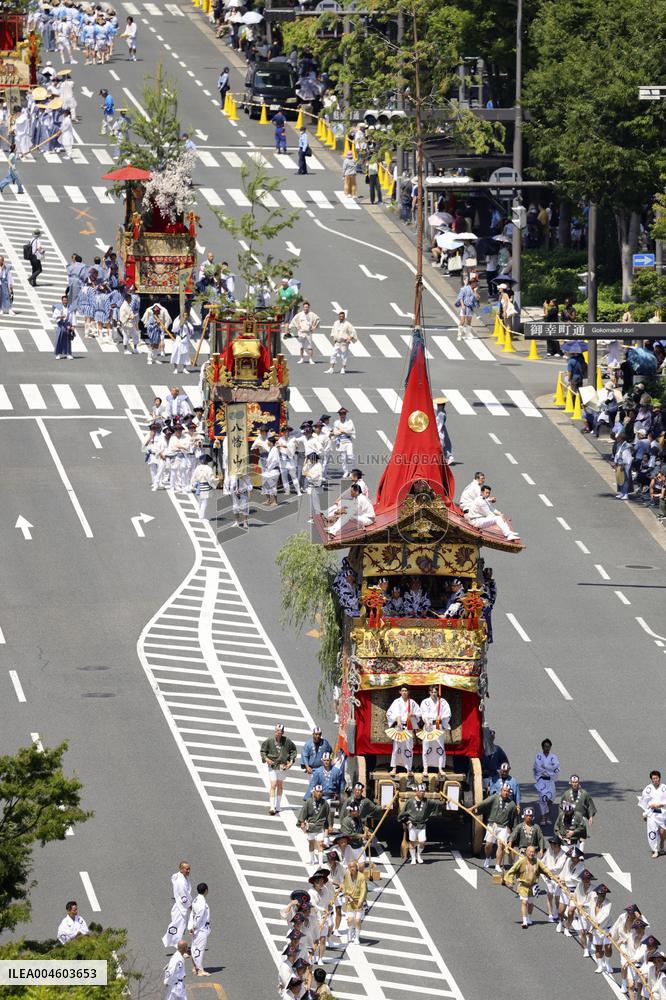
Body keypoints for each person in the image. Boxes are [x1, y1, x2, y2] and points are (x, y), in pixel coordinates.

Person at [474, 783, 520, 872]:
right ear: (501, 791)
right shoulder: (495, 797)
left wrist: (513, 831)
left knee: (501, 845)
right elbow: (484, 803)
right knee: (488, 844)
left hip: (503, 826)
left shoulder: (512, 804)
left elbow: (515, 820)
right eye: (504, 791)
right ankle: (488, 857)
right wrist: (472, 808)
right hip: (492, 824)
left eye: (507, 792)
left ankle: (497, 864)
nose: (506, 793)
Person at [503, 845, 549, 928]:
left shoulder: (537, 862)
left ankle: (529, 918)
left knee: (531, 903)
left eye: (533, 852)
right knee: (524, 902)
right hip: (523, 886)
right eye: (530, 852)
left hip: (533, 886)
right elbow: (512, 870)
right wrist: (509, 880)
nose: (532, 853)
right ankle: (524, 921)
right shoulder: (521, 861)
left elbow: (545, 869)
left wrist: (553, 877)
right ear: (526, 852)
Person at [397, 784, 444, 865]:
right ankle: (413, 858)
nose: (423, 793)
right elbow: (403, 813)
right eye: (421, 791)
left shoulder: (427, 801)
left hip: (422, 825)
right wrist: (405, 821)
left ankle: (418, 855)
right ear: (416, 792)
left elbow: (437, 804)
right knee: (412, 842)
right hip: (412, 825)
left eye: (423, 791)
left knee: (422, 841)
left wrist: (445, 801)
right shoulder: (410, 801)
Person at [261, 723, 297, 815]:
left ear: (283, 733)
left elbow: (293, 751)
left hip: (282, 766)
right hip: (272, 765)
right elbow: (263, 751)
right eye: (277, 731)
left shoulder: (287, 741)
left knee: (280, 785)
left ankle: (278, 806)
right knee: (273, 785)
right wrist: (266, 759)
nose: (278, 733)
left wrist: (291, 762)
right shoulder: (269, 741)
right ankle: (272, 807)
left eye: (280, 732)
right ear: (275, 731)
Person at [386, 686, 420, 777]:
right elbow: (389, 713)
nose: (404, 692)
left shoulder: (412, 703)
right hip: (399, 726)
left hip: (408, 726)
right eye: (403, 691)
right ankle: (394, 768)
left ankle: (408, 768)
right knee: (396, 747)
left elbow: (419, 714)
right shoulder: (396, 702)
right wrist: (397, 720)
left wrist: (413, 715)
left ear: (408, 692)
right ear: (400, 692)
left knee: (408, 748)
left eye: (406, 690)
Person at [417, 686, 451, 775]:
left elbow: (447, 713)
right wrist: (426, 721)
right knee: (426, 747)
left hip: (438, 725)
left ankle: (440, 768)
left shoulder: (442, 702)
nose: (434, 694)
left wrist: (442, 717)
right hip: (428, 726)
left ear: (437, 693)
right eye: (432, 692)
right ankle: (425, 768)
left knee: (439, 747)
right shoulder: (425, 702)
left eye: (435, 692)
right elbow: (423, 714)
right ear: (429, 692)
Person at [560, 774, 596, 850]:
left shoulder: (584, 794)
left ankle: (580, 852)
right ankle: (571, 852)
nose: (574, 784)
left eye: (576, 782)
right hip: (569, 818)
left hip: (581, 817)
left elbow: (589, 805)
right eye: (573, 782)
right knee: (570, 836)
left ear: (579, 782)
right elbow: (561, 807)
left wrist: (590, 816)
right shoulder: (566, 794)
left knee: (581, 835)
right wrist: (561, 818)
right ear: (570, 783)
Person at [162, 862, 192, 948]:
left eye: (189, 869)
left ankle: (177, 944)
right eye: (187, 869)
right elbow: (184, 897)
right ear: (181, 869)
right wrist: (190, 907)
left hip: (181, 906)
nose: (188, 871)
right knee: (179, 926)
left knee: (180, 926)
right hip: (181, 908)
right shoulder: (181, 882)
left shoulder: (181, 878)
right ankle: (179, 947)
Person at [638, 769, 666, 858]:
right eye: (653, 778)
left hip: (662, 813)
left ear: (660, 778)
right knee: (652, 832)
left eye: (657, 778)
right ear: (651, 779)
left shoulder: (664, 788)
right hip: (652, 814)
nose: (655, 780)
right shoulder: (648, 789)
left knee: (663, 831)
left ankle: (662, 841)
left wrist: (660, 804)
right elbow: (644, 801)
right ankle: (655, 850)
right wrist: (645, 813)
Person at [533, 738, 560, 822]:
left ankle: (547, 814)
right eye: (545, 746)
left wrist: (546, 768)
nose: (547, 748)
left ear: (550, 747)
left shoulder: (553, 757)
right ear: (542, 747)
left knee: (551, 798)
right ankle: (543, 817)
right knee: (542, 799)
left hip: (550, 780)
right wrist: (549, 769)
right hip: (542, 781)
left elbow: (556, 767)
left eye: (548, 746)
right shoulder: (539, 756)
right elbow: (538, 767)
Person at [541, 835, 567, 921]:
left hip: (558, 879)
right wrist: (542, 868)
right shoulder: (549, 851)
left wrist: (548, 869)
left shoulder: (563, 854)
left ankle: (556, 911)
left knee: (557, 897)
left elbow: (558, 867)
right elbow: (543, 861)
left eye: (552, 844)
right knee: (549, 895)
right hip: (548, 877)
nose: (550, 846)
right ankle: (550, 914)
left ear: (557, 845)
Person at [589, 884, 613, 975]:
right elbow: (589, 908)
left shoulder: (608, 903)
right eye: (601, 894)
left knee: (608, 947)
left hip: (606, 928)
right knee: (598, 948)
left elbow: (606, 914)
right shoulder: (593, 900)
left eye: (604, 895)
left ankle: (607, 963)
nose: (602, 896)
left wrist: (598, 923)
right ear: (597, 894)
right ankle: (600, 966)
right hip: (595, 929)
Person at [188, 883, 211, 977]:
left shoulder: (196, 900)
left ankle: (194, 967)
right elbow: (199, 916)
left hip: (196, 928)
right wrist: (194, 927)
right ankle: (200, 970)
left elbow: (192, 914)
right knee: (199, 949)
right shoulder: (201, 902)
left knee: (194, 947)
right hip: (200, 929)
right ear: (206, 890)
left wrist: (190, 927)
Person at [342, 859, 366, 943]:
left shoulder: (361, 876)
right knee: (350, 920)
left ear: (356, 867)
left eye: (353, 866)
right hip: (349, 901)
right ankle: (350, 931)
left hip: (358, 900)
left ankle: (357, 937)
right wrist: (345, 894)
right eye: (350, 867)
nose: (352, 868)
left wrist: (361, 901)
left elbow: (364, 890)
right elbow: (344, 885)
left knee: (358, 920)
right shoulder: (347, 874)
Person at [190, 455, 218, 520]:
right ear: (207, 461)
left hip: (198, 486)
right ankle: (201, 517)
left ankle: (200, 515)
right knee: (204, 502)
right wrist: (218, 479)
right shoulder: (209, 469)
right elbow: (211, 479)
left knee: (200, 502)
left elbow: (193, 477)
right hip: (205, 487)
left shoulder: (198, 467)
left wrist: (193, 484)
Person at [331, 407, 356, 478]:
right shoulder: (336, 422)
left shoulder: (349, 421)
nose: (342, 415)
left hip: (348, 441)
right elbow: (335, 432)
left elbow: (349, 430)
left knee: (350, 456)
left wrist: (341, 430)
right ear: (339, 414)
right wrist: (342, 431)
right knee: (343, 458)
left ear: (345, 414)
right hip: (340, 441)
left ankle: (352, 471)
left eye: (344, 414)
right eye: (341, 414)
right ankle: (346, 471)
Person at [52, 293, 75, 359]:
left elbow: (73, 317)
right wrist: (60, 316)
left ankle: (68, 354)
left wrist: (73, 325)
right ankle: (58, 353)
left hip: (67, 325)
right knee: (59, 339)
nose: (65, 301)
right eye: (64, 300)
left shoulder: (70, 308)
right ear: (62, 301)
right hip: (60, 325)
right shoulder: (58, 308)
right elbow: (54, 316)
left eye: (66, 300)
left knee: (68, 340)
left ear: (68, 301)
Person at [432, 397, 454, 464]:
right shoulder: (441, 411)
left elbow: (440, 424)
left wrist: (436, 432)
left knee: (442, 444)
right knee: (446, 443)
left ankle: (446, 458)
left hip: (440, 430)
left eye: (439, 404)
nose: (438, 406)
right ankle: (448, 457)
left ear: (441, 405)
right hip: (442, 428)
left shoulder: (441, 413)